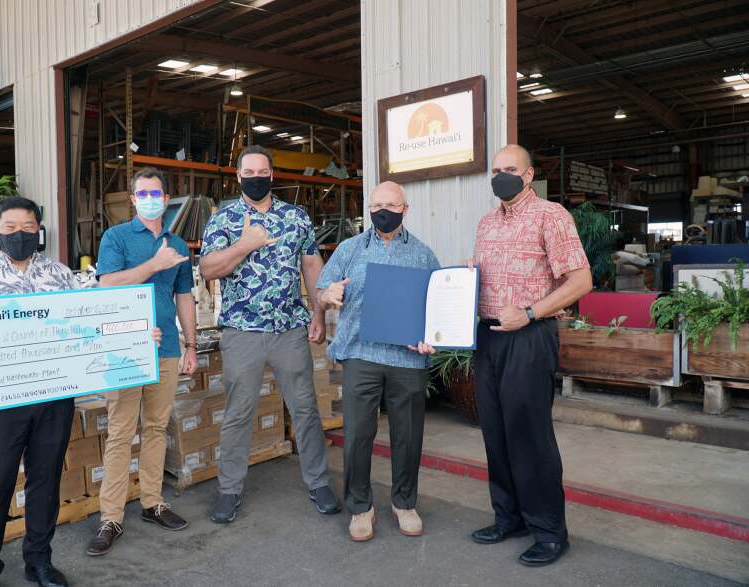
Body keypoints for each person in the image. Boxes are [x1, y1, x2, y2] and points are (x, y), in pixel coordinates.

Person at [0, 197, 163, 587]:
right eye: (11, 228)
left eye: (28, 227)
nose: (20, 235)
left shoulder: (61, 275)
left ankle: (39, 562)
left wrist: (135, 336)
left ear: (39, 230)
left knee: (45, 480)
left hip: (53, 395)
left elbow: (94, 320)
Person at [199, 145, 340, 523]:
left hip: (290, 328)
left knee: (305, 408)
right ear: (239, 176)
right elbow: (209, 270)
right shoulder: (224, 220)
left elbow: (312, 265)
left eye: (263, 171)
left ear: (272, 175)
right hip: (242, 331)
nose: (257, 177)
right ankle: (229, 490)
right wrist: (245, 244)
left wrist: (318, 312)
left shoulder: (296, 217)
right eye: (250, 172)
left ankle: (318, 481)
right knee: (238, 413)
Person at [467, 144, 591, 567]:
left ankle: (549, 532)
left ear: (528, 174)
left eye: (510, 169)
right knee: (496, 431)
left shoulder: (551, 216)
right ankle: (509, 518)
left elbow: (581, 279)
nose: (502, 175)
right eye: (496, 169)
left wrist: (531, 312)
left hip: (530, 335)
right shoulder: (486, 224)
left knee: (529, 434)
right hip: (489, 338)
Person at [316, 181, 439, 542]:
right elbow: (322, 293)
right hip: (360, 354)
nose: (383, 210)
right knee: (357, 434)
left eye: (391, 204)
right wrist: (328, 294)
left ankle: (404, 503)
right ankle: (360, 506)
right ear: (368, 208)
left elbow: (436, 307)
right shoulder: (349, 249)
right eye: (376, 204)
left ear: (405, 209)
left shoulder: (422, 254)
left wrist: (433, 336)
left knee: (408, 435)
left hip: (407, 358)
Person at [86, 167, 197, 556]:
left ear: (166, 199)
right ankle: (111, 517)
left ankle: (152, 502)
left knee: (155, 428)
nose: (150, 198)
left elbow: (184, 296)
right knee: (120, 431)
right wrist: (154, 265)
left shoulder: (178, 243)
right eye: (142, 193)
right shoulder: (116, 237)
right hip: (125, 349)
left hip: (166, 348)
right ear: (133, 200)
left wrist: (192, 345)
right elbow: (107, 284)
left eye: (156, 193)